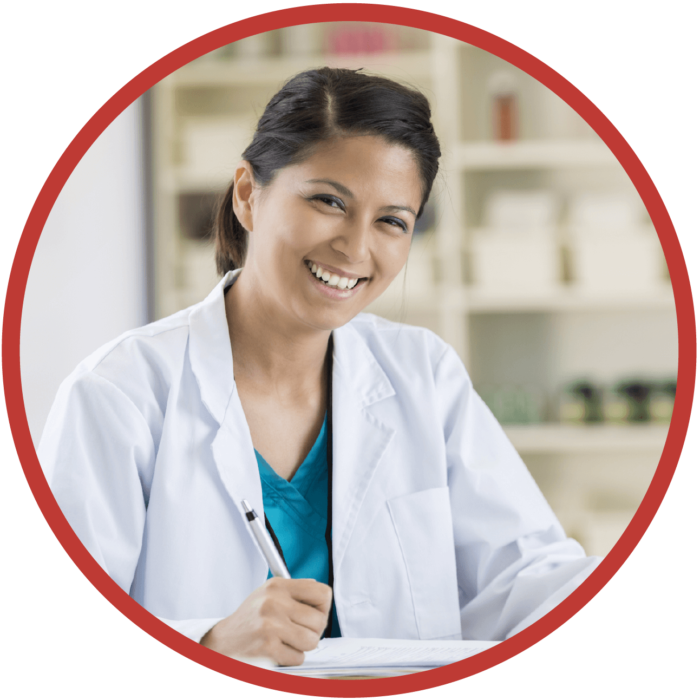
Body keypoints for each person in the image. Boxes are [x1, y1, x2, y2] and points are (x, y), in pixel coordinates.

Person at [39, 67, 601, 667]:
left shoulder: (424, 373)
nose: (356, 248)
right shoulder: (119, 394)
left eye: (392, 221)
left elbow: (523, 573)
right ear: (248, 195)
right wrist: (209, 641)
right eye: (329, 201)